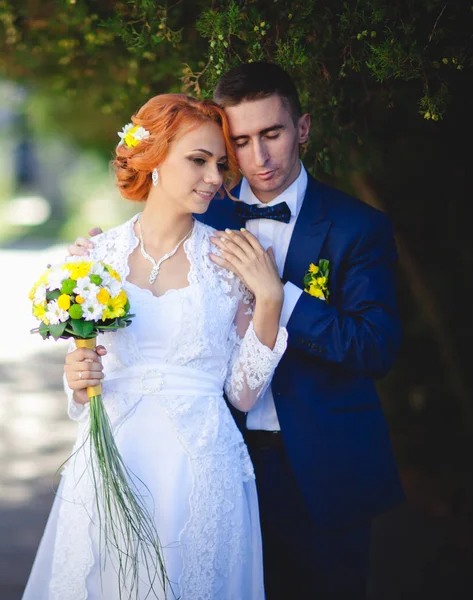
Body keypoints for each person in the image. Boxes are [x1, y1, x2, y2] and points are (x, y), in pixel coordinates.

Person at [69, 62, 405, 600]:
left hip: (324, 471)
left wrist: (282, 295)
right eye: (241, 142)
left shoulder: (357, 228)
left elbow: (376, 347)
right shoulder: (201, 211)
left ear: (303, 128)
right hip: (217, 465)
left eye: (272, 134)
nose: (259, 157)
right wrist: (92, 269)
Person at [23, 93, 289, 600]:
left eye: (219, 164)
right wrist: (76, 381)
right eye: (197, 160)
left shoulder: (231, 260)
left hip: (200, 468)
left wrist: (270, 299)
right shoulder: (94, 257)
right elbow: (85, 377)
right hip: (111, 460)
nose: (214, 177)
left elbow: (243, 394)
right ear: (154, 160)